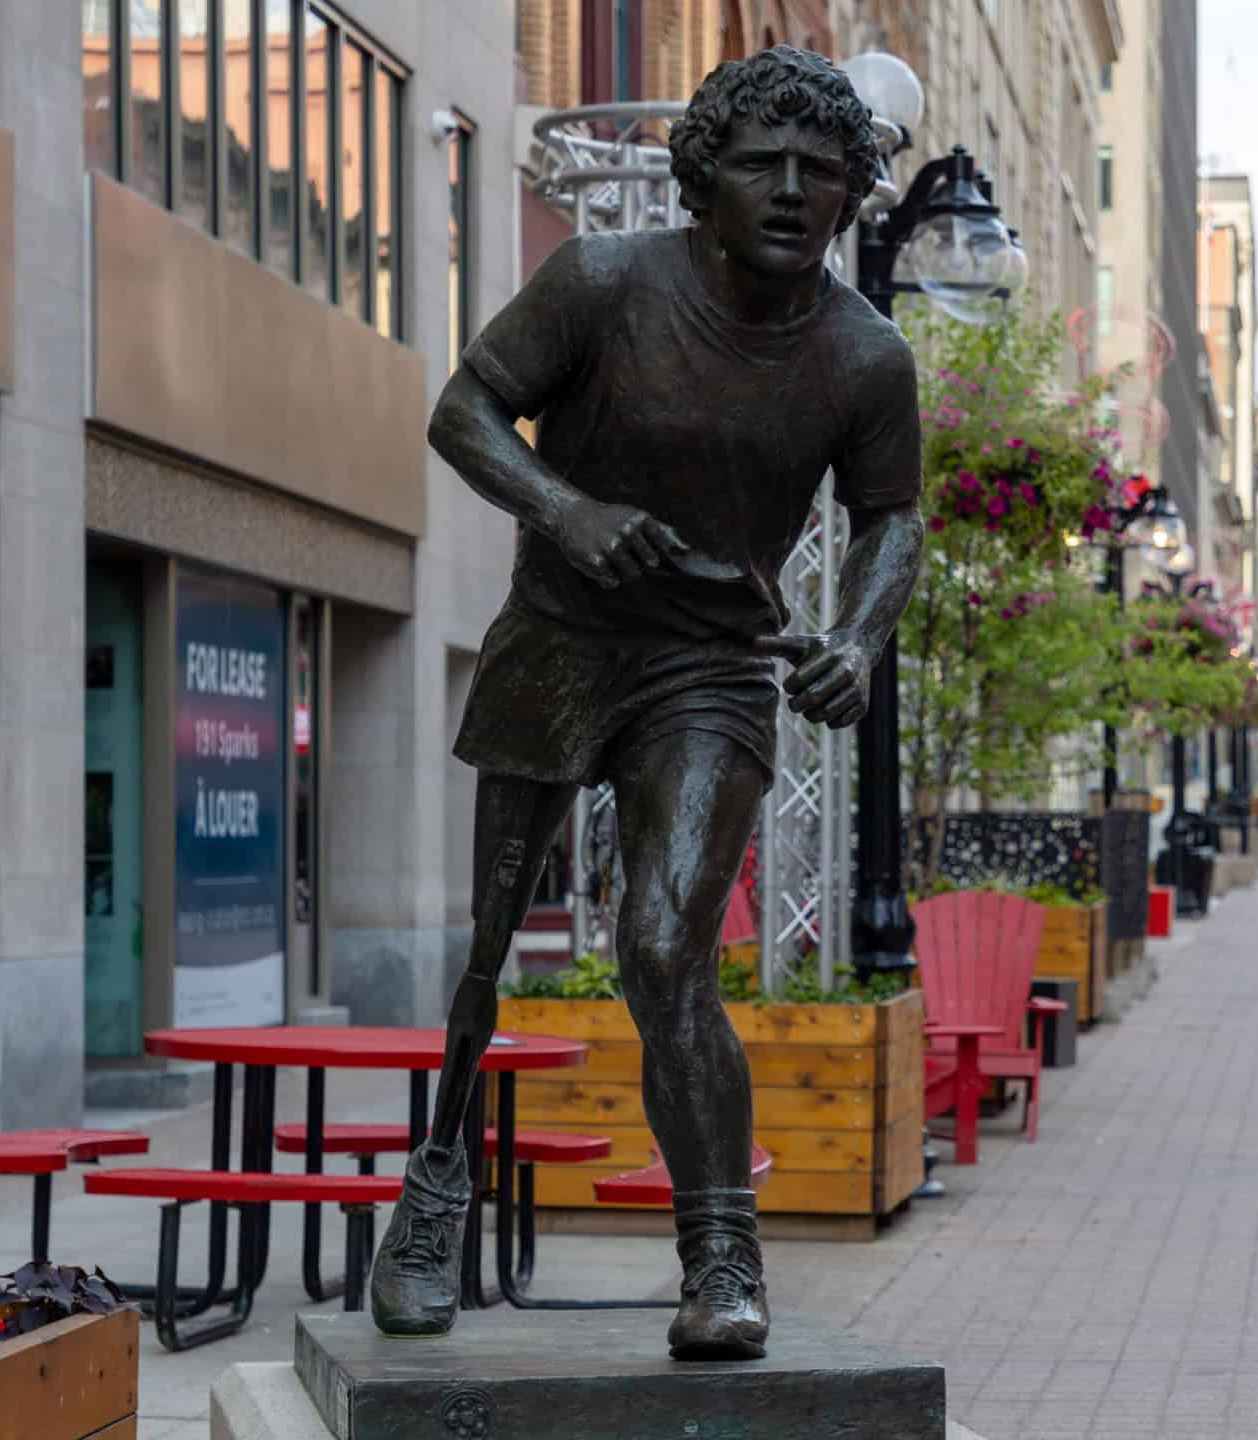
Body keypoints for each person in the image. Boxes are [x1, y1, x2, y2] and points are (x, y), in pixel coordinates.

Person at [375, 46, 918, 1361]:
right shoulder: (604, 284)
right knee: (489, 946)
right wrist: (566, 509)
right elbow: (466, 410)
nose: (793, 192)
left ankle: (722, 1256)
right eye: (761, 166)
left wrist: (855, 634)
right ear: (703, 178)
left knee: (666, 945)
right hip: (562, 637)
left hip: (711, 667)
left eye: (822, 172)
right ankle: (435, 1193)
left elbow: (892, 517)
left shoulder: (864, 356)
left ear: (850, 194)